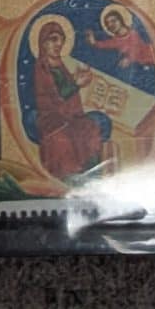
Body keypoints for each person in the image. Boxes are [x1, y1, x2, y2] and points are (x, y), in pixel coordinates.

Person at [26, 18, 113, 184]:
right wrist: (76, 84)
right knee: (62, 140)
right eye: (53, 39)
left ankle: (92, 177)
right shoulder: (41, 68)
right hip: (52, 119)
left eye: (61, 40)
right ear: (43, 43)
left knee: (91, 128)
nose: (58, 44)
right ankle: (69, 180)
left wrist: (76, 78)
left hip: (69, 117)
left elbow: (64, 88)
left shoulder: (59, 65)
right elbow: (53, 96)